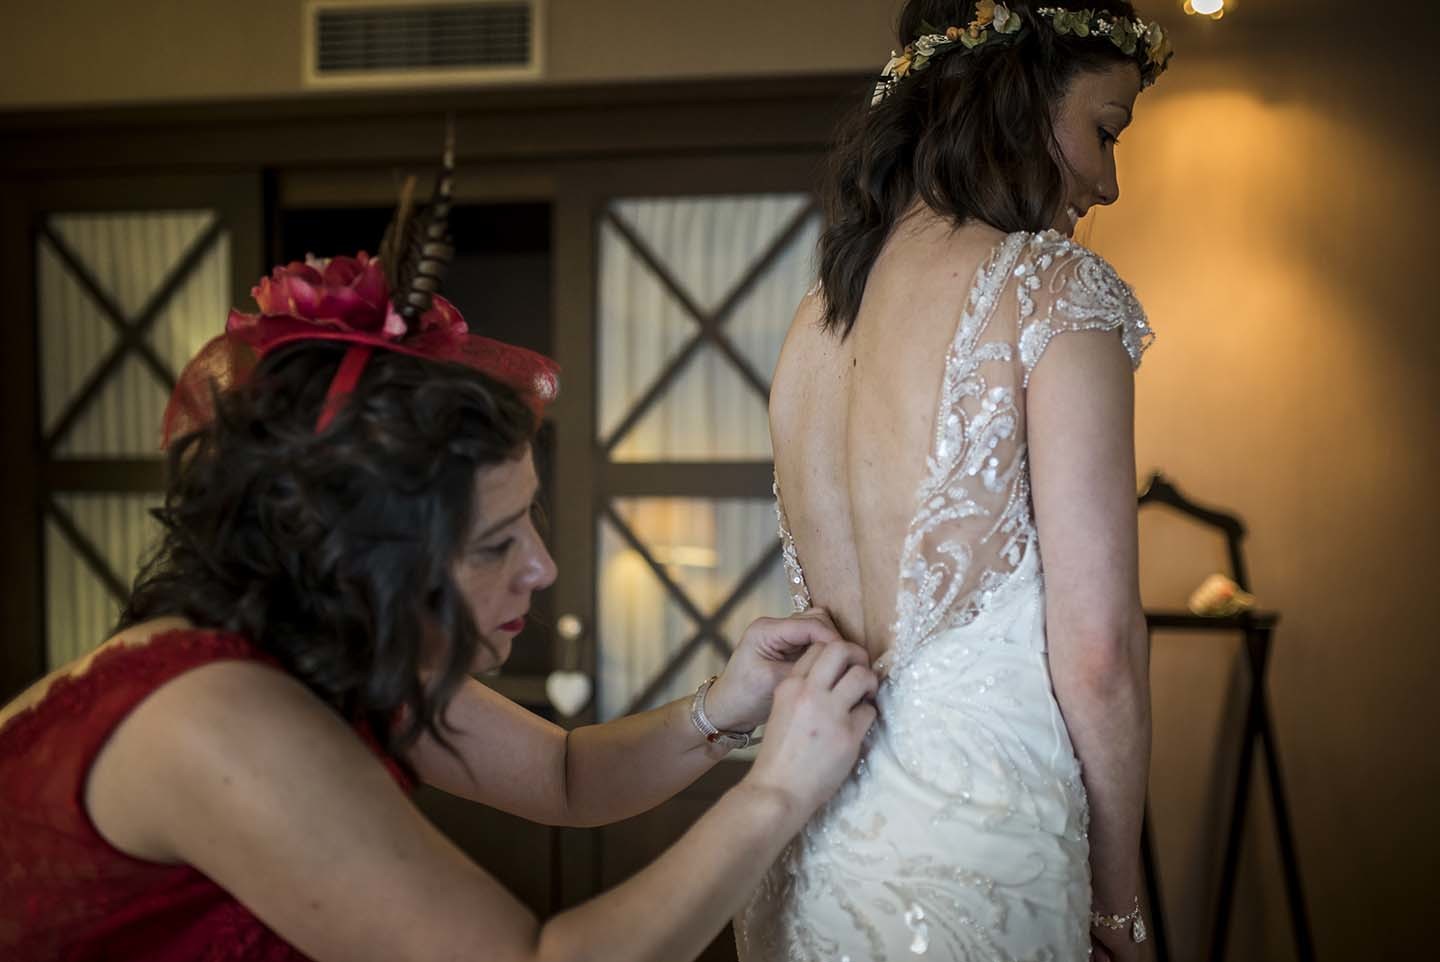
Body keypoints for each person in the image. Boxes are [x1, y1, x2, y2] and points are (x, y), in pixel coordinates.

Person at [0, 215, 879, 957]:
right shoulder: (214, 717)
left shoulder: (326, 645)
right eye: (495, 544)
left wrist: (726, 707)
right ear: (358, 558)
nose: (542, 568)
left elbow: (565, 776)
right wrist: (775, 794)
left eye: (530, 520)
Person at [736, 2, 1169, 960]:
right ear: (1019, 95)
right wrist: (1118, 908)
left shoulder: (818, 318)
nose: (1108, 183)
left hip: (810, 839)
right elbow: (1099, 652)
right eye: (1105, 131)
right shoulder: (1055, 292)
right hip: (978, 855)